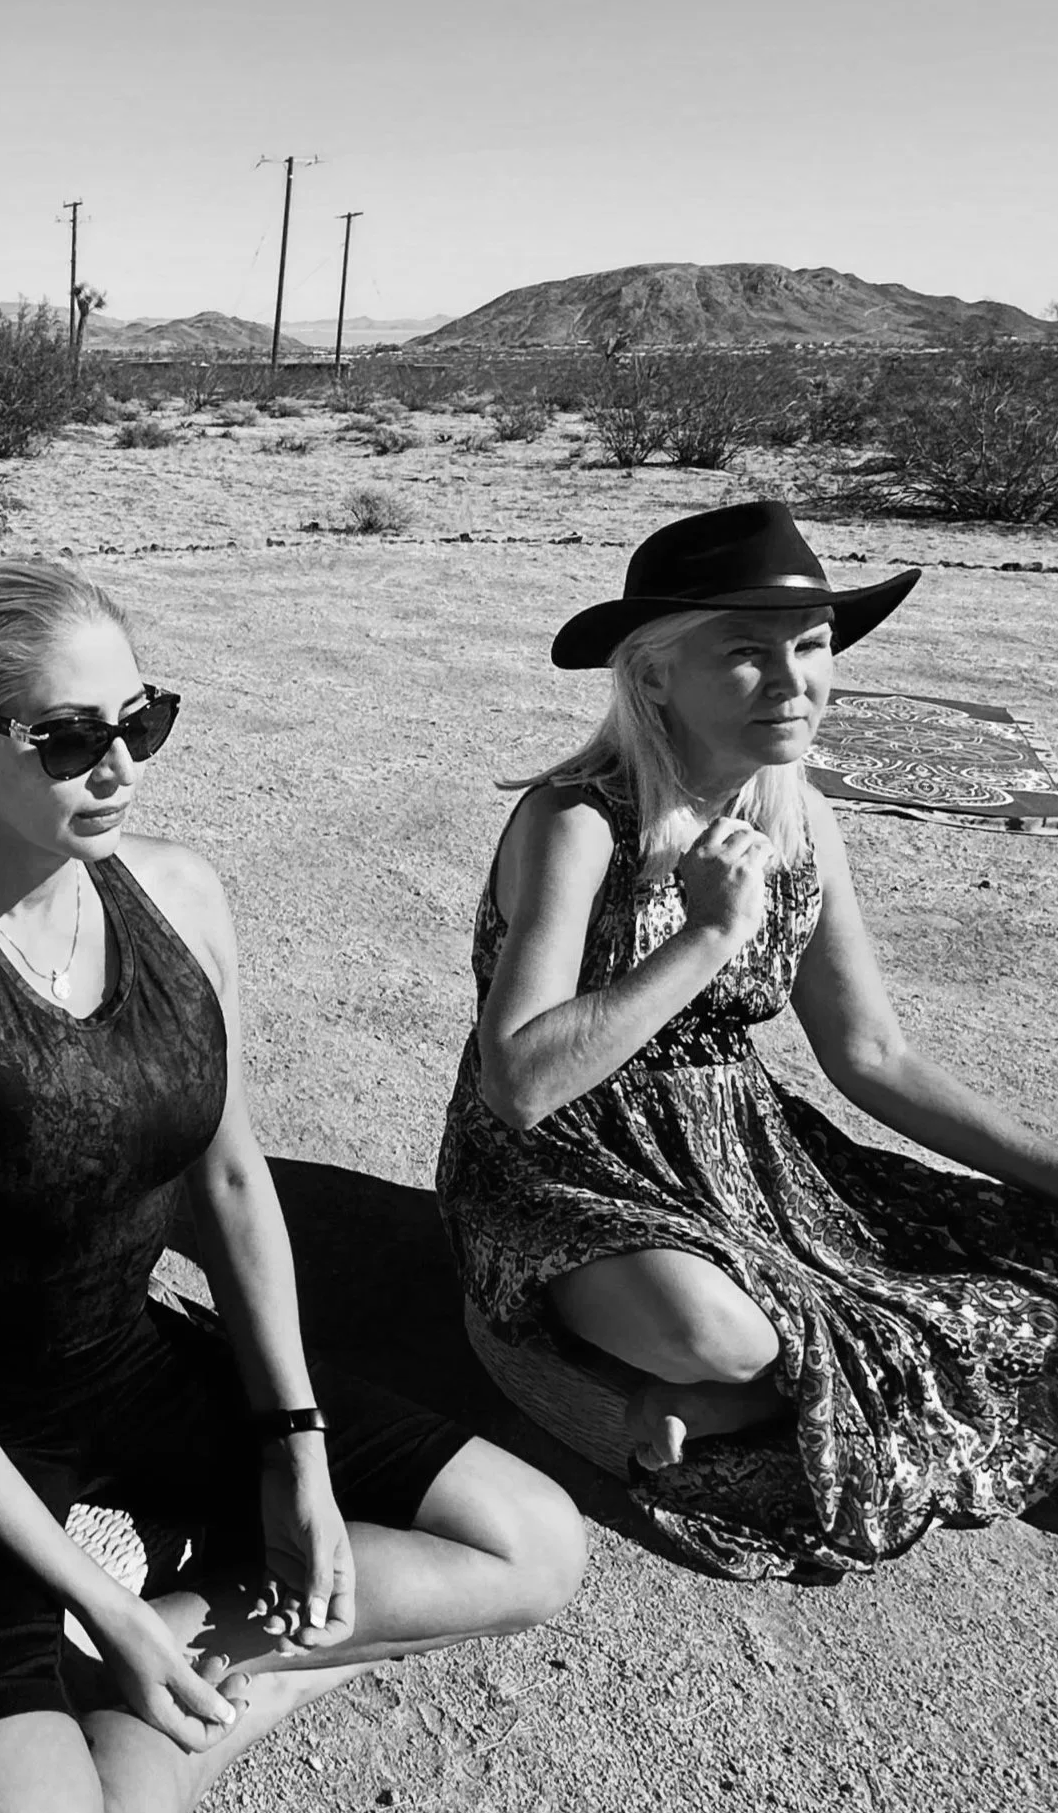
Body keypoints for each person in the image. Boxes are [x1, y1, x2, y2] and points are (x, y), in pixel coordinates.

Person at [0, 561, 584, 1812]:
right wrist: (98, 1598)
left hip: (127, 1359)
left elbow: (231, 1179)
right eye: (68, 738)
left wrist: (297, 1446)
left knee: (533, 1545)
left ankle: (156, 1700)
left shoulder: (178, 892)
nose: (120, 770)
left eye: (140, 721)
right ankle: (152, 1676)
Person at [438, 500, 1058, 1580]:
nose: (794, 682)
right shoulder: (577, 822)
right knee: (724, 1334)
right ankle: (702, 1379)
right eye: (744, 652)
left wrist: (1052, 1171)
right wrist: (712, 931)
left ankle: (716, 1401)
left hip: (738, 1155)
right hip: (562, 1164)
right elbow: (521, 1081)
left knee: (1006, 1273)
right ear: (653, 677)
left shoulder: (801, 816)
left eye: (812, 646)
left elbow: (871, 1056)